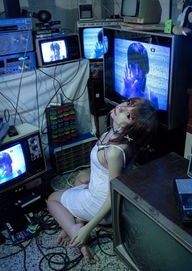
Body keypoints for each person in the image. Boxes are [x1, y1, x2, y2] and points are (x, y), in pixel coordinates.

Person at [47, 97, 159, 263]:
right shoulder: (115, 134)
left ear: (132, 128)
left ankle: (76, 233)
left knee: (52, 199)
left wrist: (88, 230)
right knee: (81, 178)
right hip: (98, 191)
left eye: (129, 116)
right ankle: (78, 220)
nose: (121, 108)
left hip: (102, 206)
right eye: (128, 104)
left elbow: (113, 194)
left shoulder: (114, 152)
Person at [123, 42, 159, 109]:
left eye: (140, 66)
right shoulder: (126, 88)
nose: (136, 73)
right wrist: (127, 92)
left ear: (145, 66)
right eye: (133, 66)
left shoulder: (152, 97)